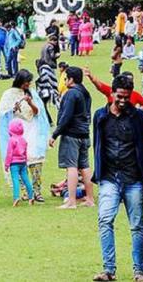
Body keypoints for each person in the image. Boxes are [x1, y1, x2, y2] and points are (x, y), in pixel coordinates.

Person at [91, 75, 143, 282]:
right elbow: (98, 145)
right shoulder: (100, 116)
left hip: (133, 177)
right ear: (112, 93)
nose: (123, 101)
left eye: (127, 97)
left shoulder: (139, 118)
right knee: (105, 220)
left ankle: (139, 271)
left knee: (137, 225)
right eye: (120, 96)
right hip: (109, 177)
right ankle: (108, 270)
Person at [0, 70, 49, 203]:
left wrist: (30, 102)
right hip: (17, 130)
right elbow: (3, 113)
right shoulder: (9, 94)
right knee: (18, 161)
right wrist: (13, 109)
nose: (28, 84)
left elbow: (38, 112)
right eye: (26, 82)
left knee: (35, 159)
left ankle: (36, 191)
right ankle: (24, 192)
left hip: (32, 129)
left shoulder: (32, 93)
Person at [48, 67, 94, 209]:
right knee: (84, 166)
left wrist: (55, 134)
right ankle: (90, 199)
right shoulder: (86, 93)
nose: (64, 80)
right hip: (84, 134)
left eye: (66, 78)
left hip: (72, 135)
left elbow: (66, 116)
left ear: (71, 79)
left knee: (71, 167)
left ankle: (71, 201)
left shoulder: (71, 94)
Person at [4, 119, 35, 206]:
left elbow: (9, 153)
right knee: (26, 179)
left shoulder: (11, 140)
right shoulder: (23, 140)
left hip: (14, 164)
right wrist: (25, 161)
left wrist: (6, 164)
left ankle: (16, 197)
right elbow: (25, 152)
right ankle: (31, 196)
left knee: (15, 180)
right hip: (23, 163)